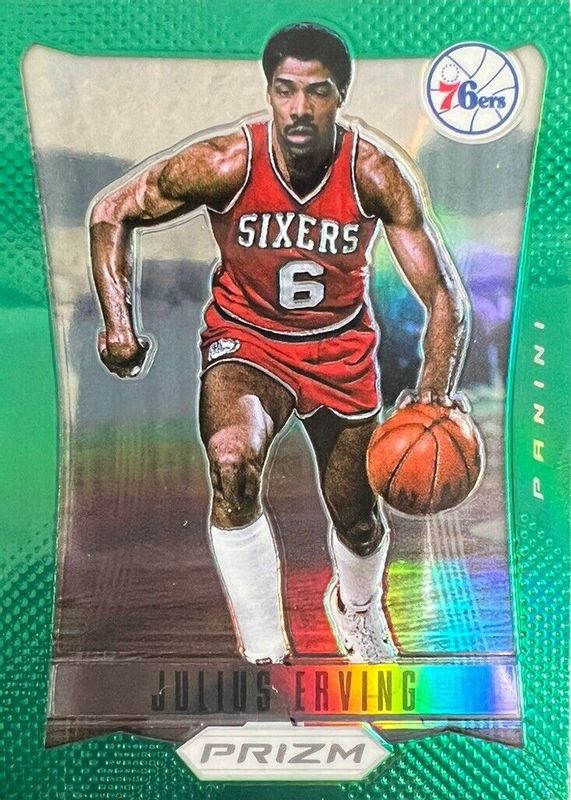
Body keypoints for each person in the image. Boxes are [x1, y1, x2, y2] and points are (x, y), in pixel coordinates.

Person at [89, 23, 468, 664]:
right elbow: (112, 211)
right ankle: (265, 648)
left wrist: (433, 392)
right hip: (247, 344)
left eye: (316, 92)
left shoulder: (375, 173)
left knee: (358, 519)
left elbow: (443, 295)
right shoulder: (226, 162)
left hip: (339, 350)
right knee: (231, 465)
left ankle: (358, 609)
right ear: (268, 92)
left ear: (339, 96)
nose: (299, 107)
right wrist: (118, 323)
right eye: (286, 90)